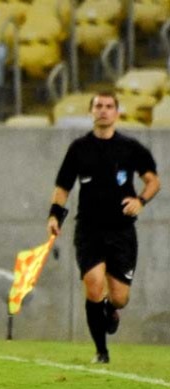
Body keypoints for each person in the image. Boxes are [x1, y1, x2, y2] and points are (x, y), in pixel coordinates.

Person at [47, 92, 160, 364]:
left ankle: (111, 309)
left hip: (121, 231)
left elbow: (153, 180)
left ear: (117, 113)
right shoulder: (79, 149)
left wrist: (140, 200)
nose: (103, 111)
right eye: (98, 106)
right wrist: (54, 217)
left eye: (109, 106)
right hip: (89, 229)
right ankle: (101, 351)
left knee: (120, 297)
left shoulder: (131, 148)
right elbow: (63, 187)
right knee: (94, 285)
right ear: (91, 111)